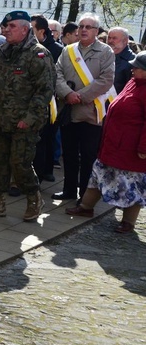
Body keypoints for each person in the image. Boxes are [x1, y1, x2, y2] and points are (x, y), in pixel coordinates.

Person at [0, 11, 55, 221]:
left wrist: (29, 118)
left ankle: (34, 199)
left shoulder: (38, 54)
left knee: (20, 164)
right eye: (5, 26)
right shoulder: (3, 52)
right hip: (1, 120)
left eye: (11, 26)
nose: (6, 30)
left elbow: (44, 91)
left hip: (24, 123)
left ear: (24, 29)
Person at [65, 51, 146, 233]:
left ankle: (128, 222)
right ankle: (86, 207)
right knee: (98, 176)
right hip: (113, 144)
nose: (133, 69)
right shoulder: (133, 83)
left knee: (132, 185)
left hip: (131, 150)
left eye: (138, 67)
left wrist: (143, 147)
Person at [53, 13, 116, 201]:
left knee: (88, 157)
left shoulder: (105, 52)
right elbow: (57, 74)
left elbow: (106, 79)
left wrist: (81, 96)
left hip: (91, 113)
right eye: (81, 26)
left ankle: (85, 196)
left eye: (89, 27)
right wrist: (68, 94)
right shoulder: (68, 50)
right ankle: (69, 190)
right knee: (69, 155)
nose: (84, 30)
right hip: (69, 111)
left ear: (96, 31)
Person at [30, 14, 63, 182]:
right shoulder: (26, 47)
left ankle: (44, 171)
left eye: (31, 28)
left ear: (41, 31)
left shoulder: (57, 50)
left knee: (47, 138)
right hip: (29, 100)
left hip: (50, 102)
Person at [107, 27, 136, 94]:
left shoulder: (133, 60)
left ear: (125, 40)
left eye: (114, 38)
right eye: (109, 38)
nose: (110, 41)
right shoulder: (103, 56)